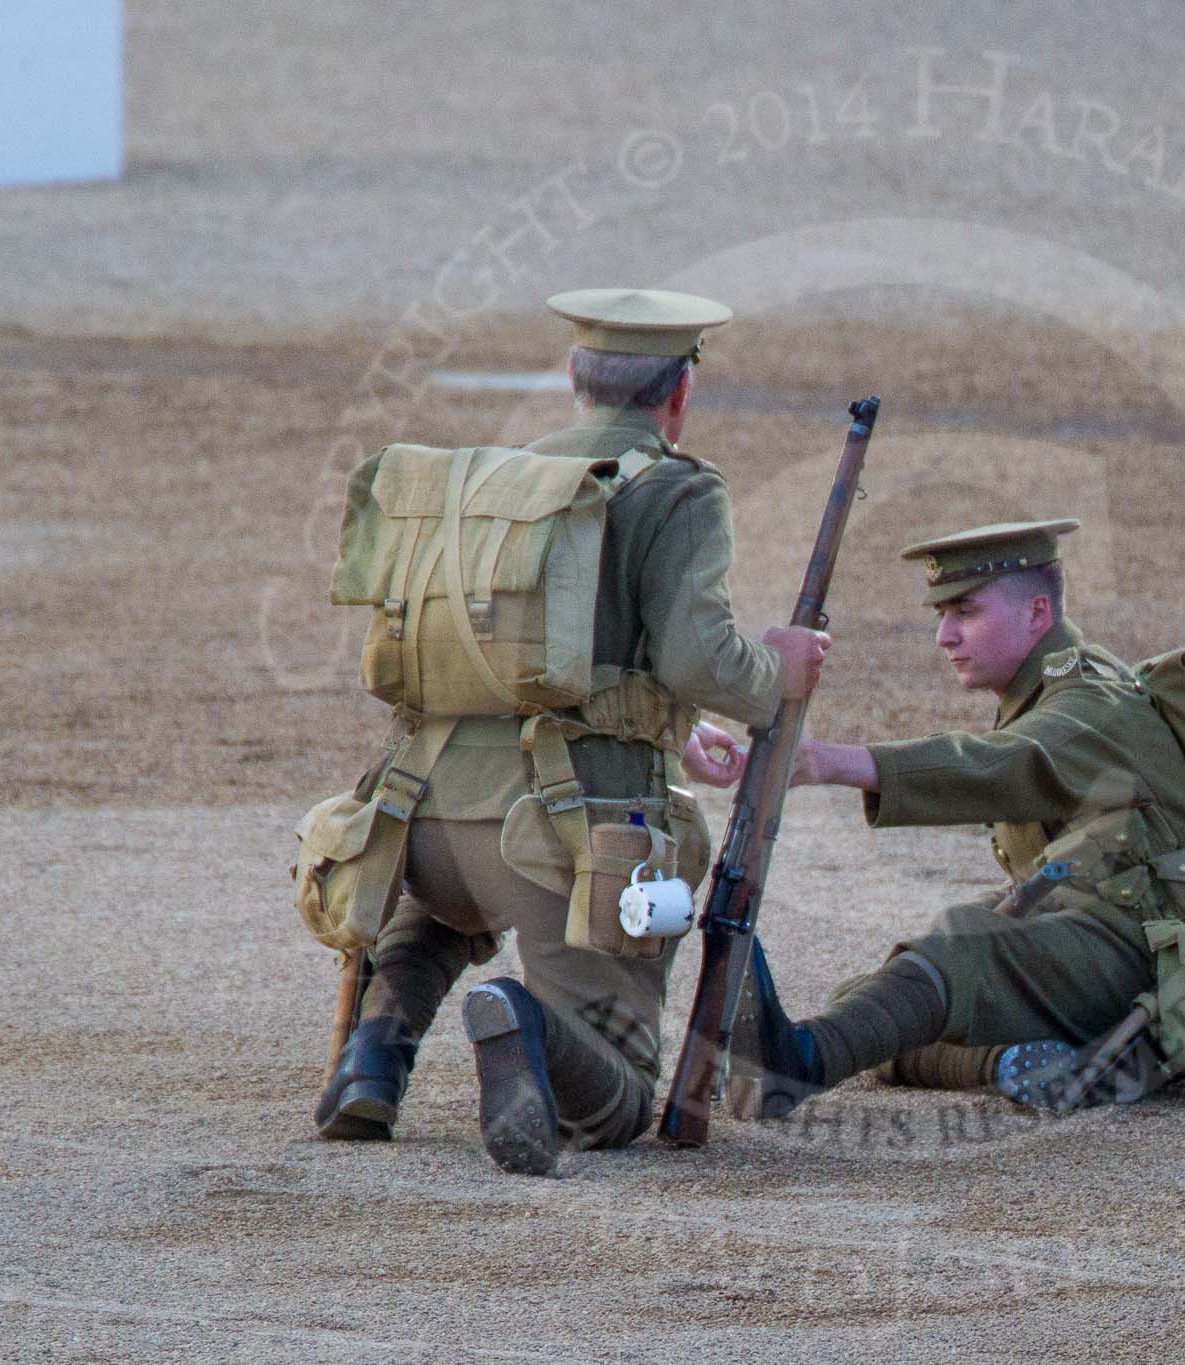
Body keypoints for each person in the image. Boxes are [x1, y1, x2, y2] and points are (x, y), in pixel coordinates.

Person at [313, 287, 832, 1172]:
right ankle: (525, 1024)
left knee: (439, 920)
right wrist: (779, 671)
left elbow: (548, 658)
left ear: (573, 379)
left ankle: (373, 1059)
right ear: (679, 394)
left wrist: (673, 732)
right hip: (562, 839)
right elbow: (698, 658)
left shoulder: (502, 483)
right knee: (622, 1096)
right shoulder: (678, 487)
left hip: (420, 822)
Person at [683, 519, 1185, 1115]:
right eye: (942, 615)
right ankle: (1011, 1063)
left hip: (1153, 950)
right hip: (1091, 920)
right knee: (876, 1002)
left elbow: (1004, 764)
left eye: (966, 613)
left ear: (1037, 614)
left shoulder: (1090, 702)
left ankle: (798, 1067)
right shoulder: (1043, 690)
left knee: (957, 952)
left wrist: (828, 762)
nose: (944, 636)